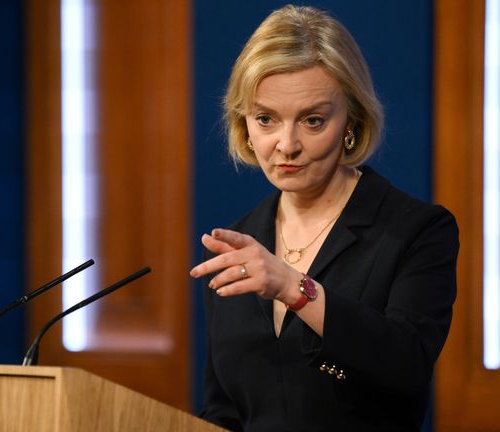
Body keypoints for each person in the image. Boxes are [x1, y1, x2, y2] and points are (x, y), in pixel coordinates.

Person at [189, 5, 458, 431]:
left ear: (350, 119)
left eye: (313, 121)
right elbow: (223, 409)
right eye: (266, 119)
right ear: (244, 124)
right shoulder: (239, 244)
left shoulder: (414, 230)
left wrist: (294, 288)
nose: (287, 145)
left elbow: (406, 368)